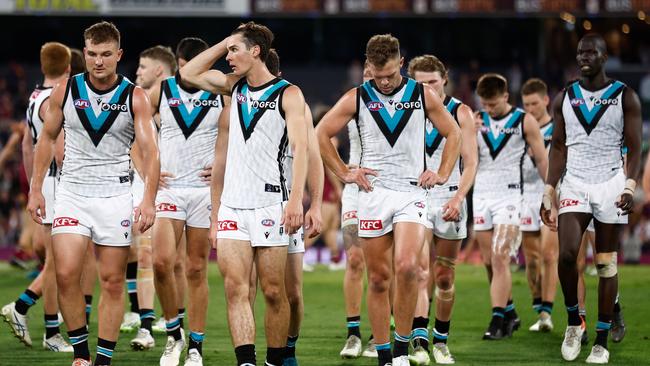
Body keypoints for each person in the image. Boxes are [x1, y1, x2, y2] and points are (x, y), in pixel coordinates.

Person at [316, 34, 461, 366]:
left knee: (408, 266)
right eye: (377, 75)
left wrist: (441, 171)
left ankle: (400, 348)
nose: (383, 82)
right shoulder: (357, 97)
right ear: (368, 67)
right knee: (379, 278)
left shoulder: (421, 94)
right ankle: (384, 356)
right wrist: (344, 172)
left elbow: (453, 132)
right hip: (372, 194)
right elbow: (321, 132)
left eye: (390, 74)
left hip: (411, 192)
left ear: (400, 63)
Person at [26, 21, 159, 366]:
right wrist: (35, 189)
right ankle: (82, 355)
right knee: (67, 273)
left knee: (113, 281)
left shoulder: (135, 96)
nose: (99, 61)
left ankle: (102, 359)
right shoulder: (65, 91)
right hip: (71, 192)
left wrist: (147, 200)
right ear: (84, 54)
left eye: (106, 55)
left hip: (115, 196)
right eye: (92, 55)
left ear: (119, 55)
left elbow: (150, 151)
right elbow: (46, 139)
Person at [180, 22, 309, 366]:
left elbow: (301, 148)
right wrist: (227, 41)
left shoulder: (289, 93)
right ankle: (246, 362)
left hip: (270, 203)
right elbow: (191, 71)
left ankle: (275, 360)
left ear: (256, 52)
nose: (227, 57)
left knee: (272, 291)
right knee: (236, 290)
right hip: (232, 208)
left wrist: (296, 200)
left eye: (235, 50)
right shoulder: (232, 88)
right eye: (227, 51)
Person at [541, 33, 642, 364]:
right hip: (575, 182)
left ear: (604, 56)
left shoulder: (625, 97)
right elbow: (557, 146)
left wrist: (629, 185)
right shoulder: (564, 97)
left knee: (604, 263)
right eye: (580, 53)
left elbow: (635, 146)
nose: (584, 57)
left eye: (591, 52)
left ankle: (601, 340)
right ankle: (574, 321)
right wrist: (549, 189)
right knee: (568, 255)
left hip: (611, 181)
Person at [149, 37, 224, 366]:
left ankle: (195, 345)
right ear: (179, 64)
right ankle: (173, 333)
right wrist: (148, 165)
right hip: (169, 189)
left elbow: (241, 136)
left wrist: (224, 167)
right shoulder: (163, 89)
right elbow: (133, 126)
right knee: (161, 262)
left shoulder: (222, 92)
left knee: (195, 268)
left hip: (203, 192)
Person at [406, 54, 478, 365]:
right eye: (420, 84)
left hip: (450, 198)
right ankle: (419, 341)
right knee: (420, 272)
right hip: (418, 199)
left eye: (432, 82)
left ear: (444, 80)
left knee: (445, 276)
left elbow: (472, 162)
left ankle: (442, 340)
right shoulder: (407, 110)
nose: (427, 89)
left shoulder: (461, 112)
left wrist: (459, 198)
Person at [2, 41, 73, 353]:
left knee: (56, 261)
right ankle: (24, 310)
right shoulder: (54, 101)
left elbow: (27, 147)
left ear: (44, 67)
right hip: (61, 184)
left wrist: (34, 187)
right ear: (69, 68)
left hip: (46, 186)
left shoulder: (34, 97)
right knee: (61, 262)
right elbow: (59, 149)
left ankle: (50, 328)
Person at [473, 73, 548, 340]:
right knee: (488, 262)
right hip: (481, 195)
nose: (489, 109)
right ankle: (511, 312)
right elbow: (467, 158)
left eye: (493, 104)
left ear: (506, 96)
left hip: (511, 196)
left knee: (500, 255)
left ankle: (496, 320)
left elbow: (541, 159)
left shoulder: (523, 121)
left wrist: (549, 191)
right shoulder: (476, 120)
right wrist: (467, 131)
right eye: (485, 104)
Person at [126, 44, 178, 349]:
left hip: (184, 190)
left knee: (179, 264)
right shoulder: (140, 101)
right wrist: (149, 179)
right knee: (145, 257)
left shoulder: (182, 97)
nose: (137, 72)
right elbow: (134, 143)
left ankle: (176, 322)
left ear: (159, 70)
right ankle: (145, 326)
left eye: (143, 67)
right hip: (150, 189)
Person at [338, 63, 378, 360]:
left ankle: (381, 334)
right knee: (354, 260)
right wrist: (343, 170)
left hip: (387, 191)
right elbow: (321, 132)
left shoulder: (406, 106)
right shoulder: (352, 101)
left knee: (382, 267)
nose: (369, 80)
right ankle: (353, 335)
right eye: (365, 75)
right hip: (355, 190)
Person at [519, 78, 557, 332]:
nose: (530, 109)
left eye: (534, 103)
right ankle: (538, 306)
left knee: (548, 254)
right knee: (531, 260)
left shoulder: (558, 128)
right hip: (525, 195)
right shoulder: (518, 128)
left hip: (551, 193)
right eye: (525, 104)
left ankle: (547, 312)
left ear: (545, 100)